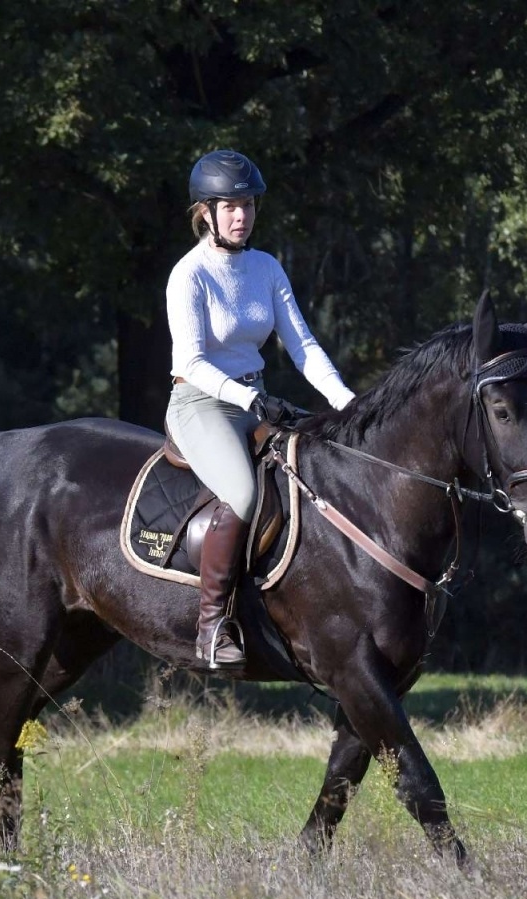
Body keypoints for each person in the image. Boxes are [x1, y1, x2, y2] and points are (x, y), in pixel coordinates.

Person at [166, 149, 356, 669]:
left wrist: (351, 406)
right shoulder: (189, 275)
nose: (241, 215)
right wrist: (251, 398)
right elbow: (192, 362)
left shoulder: (266, 268)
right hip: (201, 403)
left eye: (248, 205)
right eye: (229, 206)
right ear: (205, 211)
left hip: (256, 399)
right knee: (246, 493)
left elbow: (304, 347)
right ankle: (211, 627)